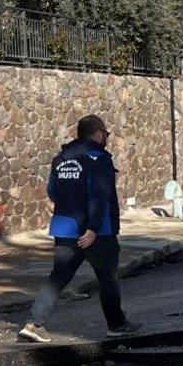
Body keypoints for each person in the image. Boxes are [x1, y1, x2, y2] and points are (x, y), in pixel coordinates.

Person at [17, 116, 140, 343]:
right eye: (106, 134)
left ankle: (34, 323)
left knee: (58, 277)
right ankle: (117, 325)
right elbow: (99, 196)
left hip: (65, 229)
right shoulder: (99, 159)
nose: (107, 138)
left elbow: (53, 191)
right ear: (97, 133)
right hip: (97, 232)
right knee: (108, 278)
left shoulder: (60, 159)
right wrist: (92, 228)